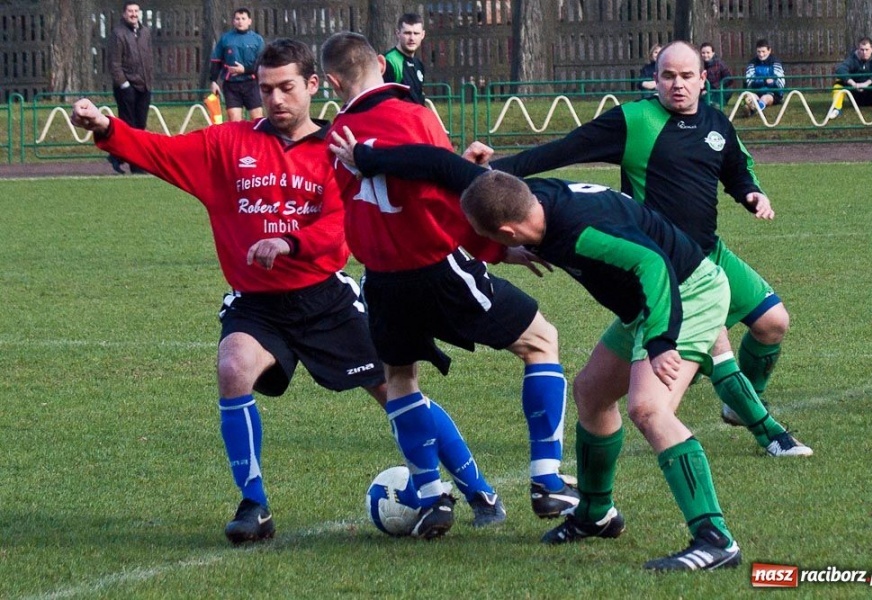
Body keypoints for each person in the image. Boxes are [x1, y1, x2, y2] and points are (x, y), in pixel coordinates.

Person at [70, 38, 507, 545]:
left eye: (287, 88)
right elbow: (161, 152)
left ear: (314, 86)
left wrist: (291, 240)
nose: (276, 99)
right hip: (257, 304)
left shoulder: (340, 148)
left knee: (396, 389)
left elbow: (343, 225)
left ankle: (478, 489)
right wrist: (107, 128)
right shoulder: (226, 144)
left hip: (327, 298)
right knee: (233, 366)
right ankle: (253, 505)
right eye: (265, 88)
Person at [328, 135, 743, 570]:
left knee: (648, 409)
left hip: (686, 293)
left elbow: (652, 264)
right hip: (645, 302)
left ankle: (715, 539)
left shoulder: (579, 230)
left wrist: (660, 341)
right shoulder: (517, 198)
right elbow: (436, 164)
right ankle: (595, 515)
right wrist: (367, 157)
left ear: (505, 233)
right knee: (592, 394)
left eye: (486, 241)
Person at [489, 41, 811, 457]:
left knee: (774, 323)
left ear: (703, 79)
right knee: (717, 342)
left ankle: (737, 402)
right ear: (655, 79)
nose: (677, 85)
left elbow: (737, 169)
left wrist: (752, 194)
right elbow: (561, 151)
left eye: (686, 76)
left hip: (711, 253)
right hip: (665, 264)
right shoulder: (635, 119)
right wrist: (489, 174)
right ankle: (772, 434)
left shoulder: (716, 125)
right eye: (668, 76)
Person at [321, 31, 578, 539]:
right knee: (541, 340)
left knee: (400, 377)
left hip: (382, 279)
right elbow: (448, 197)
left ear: (331, 82)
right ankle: (547, 478)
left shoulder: (339, 137)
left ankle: (432, 495)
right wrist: (496, 248)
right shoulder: (415, 114)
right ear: (380, 62)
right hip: (438, 268)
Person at [107, 1, 153, 175]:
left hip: (144, 85)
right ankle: (135, 164)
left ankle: (118, 156)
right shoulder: (118, 34)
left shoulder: (145, 32)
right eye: (130, 11)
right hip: (126, 86)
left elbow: (148, 58)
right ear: (124, 14)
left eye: (136, 11)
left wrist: (149, 81)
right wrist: (124, 85)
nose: (133, 14)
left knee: (140, 126)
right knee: (129, 126)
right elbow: (114, 63)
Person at [209, 7, 266, 122]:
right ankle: (238, 140)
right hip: (231, 85)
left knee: (257, 119)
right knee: (235, 121)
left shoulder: (257, 40)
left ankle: (254, 140)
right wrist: (213, 81)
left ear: (249, 21)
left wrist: (244, 70)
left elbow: (262, 64)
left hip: (251, 83)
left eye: (243, 18)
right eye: (237, 19)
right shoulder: (225, 39)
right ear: (233, 21)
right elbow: (216, 61)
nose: (240, 21)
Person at [828, 37, 872, 121]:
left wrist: (867, 83)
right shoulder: (852, 59)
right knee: (839, 82)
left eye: (867, 49)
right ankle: (836, 109)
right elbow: (840, 69)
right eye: (862, 50)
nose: (864, 52)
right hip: (856, 96)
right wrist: (853, 83)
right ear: (858, 49)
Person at [382, 13, 427, 105]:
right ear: (398, 33)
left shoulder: (419, 64)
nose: (412, 38)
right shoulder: (389, 62)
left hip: (415, 117)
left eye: (416, 33)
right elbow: (383, 101)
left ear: (422, 35)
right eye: (407, 33)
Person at [743, 38, 785, 116]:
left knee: (765, 98)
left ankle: (754, 109)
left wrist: (773, 82)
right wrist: (764, 81)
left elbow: (780, 82)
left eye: (763, 51)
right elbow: (749, 81)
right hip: (756, 91)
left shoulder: (776, 62)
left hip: (773, 93)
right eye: (759, 52)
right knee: (750, 97)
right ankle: (749, 108)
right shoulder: (752, 63)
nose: (761, 54)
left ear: (769, 51)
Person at [700, 42, 734, 109]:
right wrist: (703, 90)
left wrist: (716, 86)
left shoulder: (719, 64)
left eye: (708, 53)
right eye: (703, 53)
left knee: (726, 92)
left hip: (719, 89)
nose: (705, 55)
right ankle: (712, 104)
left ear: (713, 53)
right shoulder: (699, 65)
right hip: (705, 91)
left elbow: (729, 79)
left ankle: (716, 104)